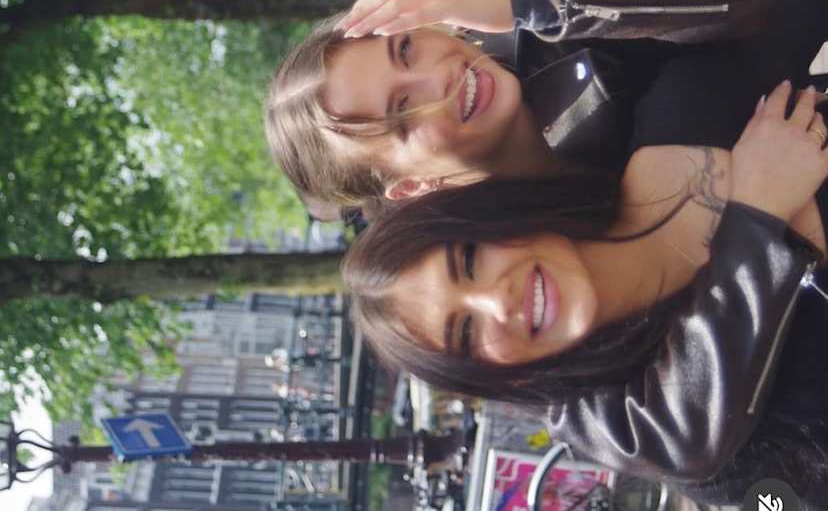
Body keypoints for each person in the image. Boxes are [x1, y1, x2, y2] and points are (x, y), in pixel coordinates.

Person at [340, 81, 828, 505]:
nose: (496, 299)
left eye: (469, 260)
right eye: (466, 331)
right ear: (487, 376)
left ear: (492, 216)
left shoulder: (674, 118)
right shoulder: (666, 433)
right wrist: (758, 220)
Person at [265, 0, 824, 209]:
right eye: (403, 114)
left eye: (406, 48)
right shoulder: (504, 271)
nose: (439, 77)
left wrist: (529, 0)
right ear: (409, 188)